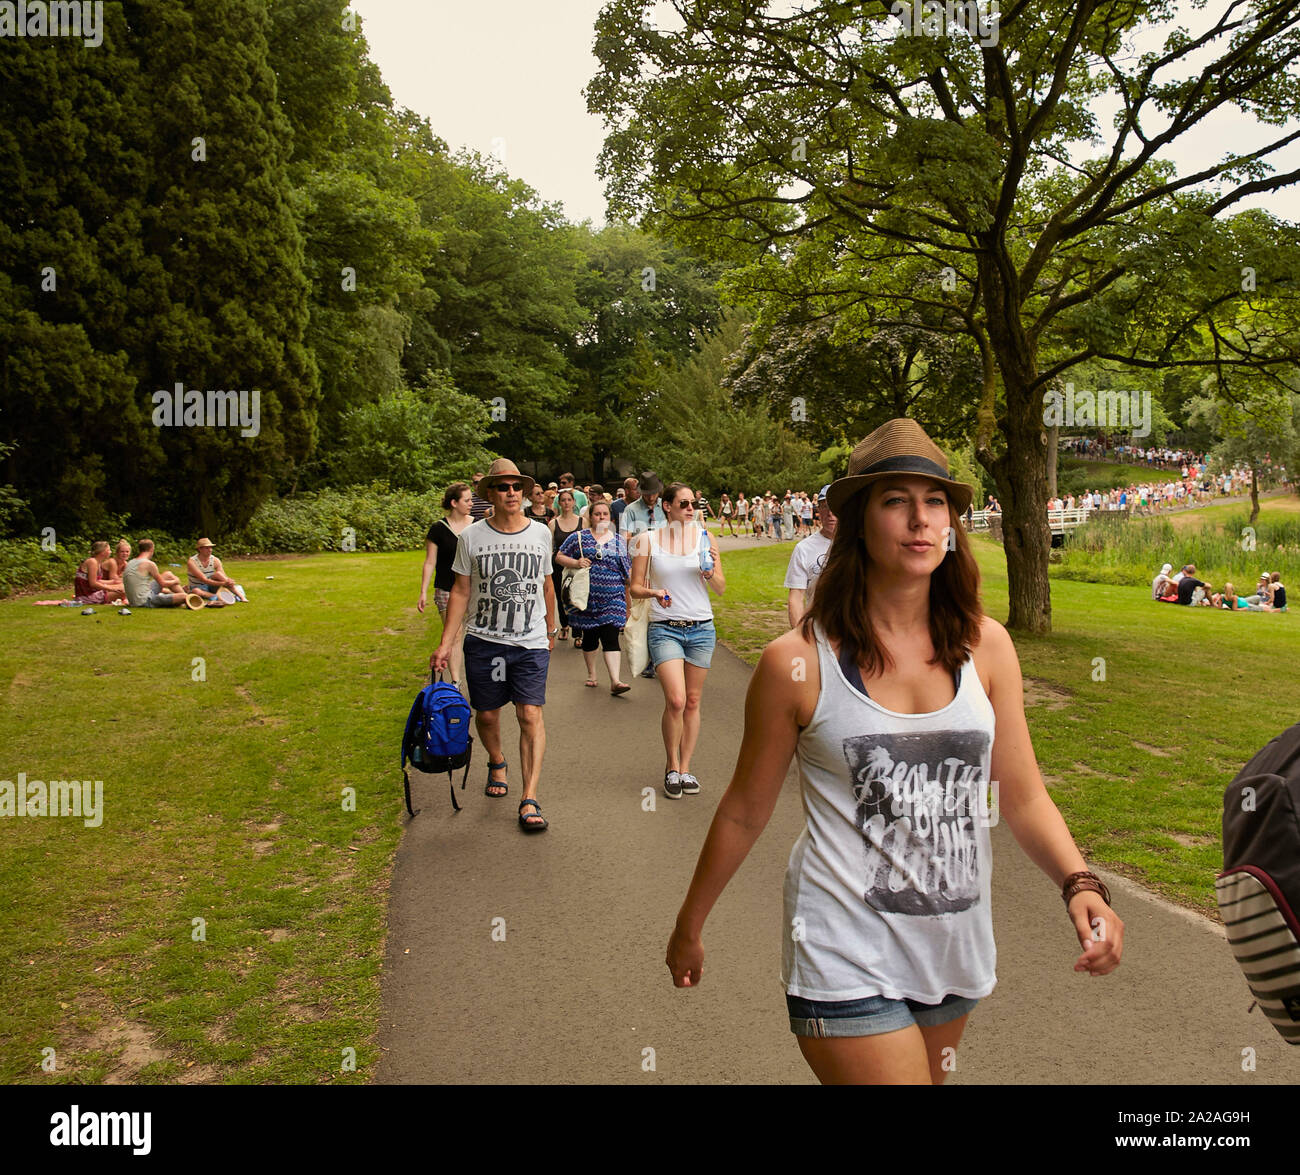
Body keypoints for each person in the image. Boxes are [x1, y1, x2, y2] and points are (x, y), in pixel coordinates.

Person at [664, 417, 1123, 1084]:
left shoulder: (986, 646)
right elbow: (742, 808)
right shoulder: (797, 664)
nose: (920, 518)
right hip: (841, 945)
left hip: (952, 947)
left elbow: (1020, 794)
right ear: (856, 521)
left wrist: (1081, 883)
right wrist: (689, 922)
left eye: (935, 501)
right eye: (894, 500)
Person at [431, 458, 558, 833]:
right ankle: (497, 760)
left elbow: (547, 584)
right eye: (503, 487)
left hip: (530, 642)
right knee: (486, 715)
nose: (512, 493)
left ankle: (529, 797)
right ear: (490, 493)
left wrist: (551, 628)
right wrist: (445, 643)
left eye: (517, 486)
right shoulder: (471, 536)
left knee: (530, 715)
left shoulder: (540, 533)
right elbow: (460, 590)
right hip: (485, 641)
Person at [629, 483, 726, 798]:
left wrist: (711, 573)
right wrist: (655, 591)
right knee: (676, 700)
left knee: (694, 701)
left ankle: (686, 768)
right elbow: (634, 588)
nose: (690, 508)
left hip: (701, 628)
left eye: (693, 503)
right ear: (666, 506)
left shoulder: (704, 538)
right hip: (665, 627)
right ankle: (671, 766)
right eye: (684, 503)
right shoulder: (647, 540)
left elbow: (722, 588)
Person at [555, 499, 633, 695]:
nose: (601, 517)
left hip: (613, 598)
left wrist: (635, 595)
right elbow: (559, 556)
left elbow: (627, 571)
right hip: (585, 598)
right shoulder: (578, 538)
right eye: (597, 514)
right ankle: (592, 674)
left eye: (605, 514)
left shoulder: (618, 541)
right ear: (590, 517)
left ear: (610, 518)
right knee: (590, 637)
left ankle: (615, 680)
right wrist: (576, 561)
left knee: (610, 635)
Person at [419, 482, 474, 687]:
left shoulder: (477, 526)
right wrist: (423, 592)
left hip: (474, 589)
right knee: (455, 633)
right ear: (454, 503)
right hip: (446, 589)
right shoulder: (438, 529)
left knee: (475, 633)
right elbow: (430, 561)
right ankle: (456, 681)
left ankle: (478, 677)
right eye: (466, 500)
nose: (471, 503)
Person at [621, 472, 670, 678]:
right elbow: (625, 537)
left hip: (663, 562)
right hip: (641, 563)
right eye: (647, 494)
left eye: (654, 493)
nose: (651, 498)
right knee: (645, 612)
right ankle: (649, 658)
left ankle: (664, 655)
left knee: (664, 607)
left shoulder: (666, 508)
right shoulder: (631, 510)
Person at [785, 487, 837, 627]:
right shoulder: (804, 549)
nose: (830, 513)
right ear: (818, 510)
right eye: (825, 507)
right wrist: (799, 636)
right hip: (817, 632)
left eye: (834, 506)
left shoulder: (860, 545)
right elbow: (796, 597)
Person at [549, 490, 583, 643]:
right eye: (563, 500)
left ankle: (578, 632)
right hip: (559, 566)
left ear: (574, 502)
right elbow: (550, 547)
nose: (567, 503)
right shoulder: (553, 523)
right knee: (562, 596)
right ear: (559, 503)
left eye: (569, 500)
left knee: (577, 597)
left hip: (578, 566)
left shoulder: (583, 521)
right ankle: (564, 625)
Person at [123, 540, 189, 608]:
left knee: (168, 574)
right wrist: (176, 581)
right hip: (145, 601)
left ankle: (184, 599)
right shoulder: (149, 564)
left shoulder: (131, 562)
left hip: (135, 600)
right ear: (152, 549)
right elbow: (163, 584)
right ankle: (189, 599)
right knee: (184, 597)